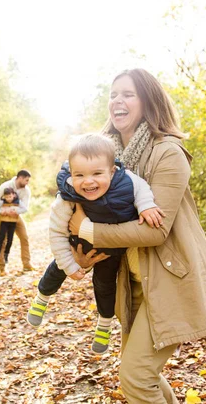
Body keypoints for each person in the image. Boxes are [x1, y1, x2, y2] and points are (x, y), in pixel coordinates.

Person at [68, 69, 206, 403]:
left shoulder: (168, 152)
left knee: (136, 376)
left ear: (148, 101)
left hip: (170, 278)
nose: (118, 101)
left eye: (128, 94)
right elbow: (79, 208)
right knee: (142, 374)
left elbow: (154, 232)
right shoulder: (105, 158)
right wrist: (79, 250)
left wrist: (88, 230)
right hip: (133, 278)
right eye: (113, 95)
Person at [26, 133, 165, 354]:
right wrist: (70, 265)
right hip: (77, 244)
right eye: (79, 174)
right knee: (57, 269)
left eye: (97, 173)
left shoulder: (127, 180)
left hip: (110, 250)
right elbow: (56, 232)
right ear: (71, 174)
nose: (88, 181)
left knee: (105, 285)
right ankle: (42, 296)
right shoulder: (68, 196)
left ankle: (104, 325)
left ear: (112, 171)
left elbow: (141, 189)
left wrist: (146, 205)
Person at [0, 169, 33, 274]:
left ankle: (27, 264)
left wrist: (15, 211)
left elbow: (25, 207)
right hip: (3, 218)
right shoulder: (5, 186)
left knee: (24, 238)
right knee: (2, 241)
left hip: (16, 217)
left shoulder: (26, 191)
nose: (27, 183)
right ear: (20, 178)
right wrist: (2, 211)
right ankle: (2, 268)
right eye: (26, 180)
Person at [0, 188, 24, 265]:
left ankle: (6, 255)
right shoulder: (2, 202)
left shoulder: (17, 202)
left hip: (12, 222)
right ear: (4, 197)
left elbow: (25, 209)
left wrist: (16, 212)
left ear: (13, 195)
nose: (9, 199)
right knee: (1, 238)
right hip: (4, 221)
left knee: (10, 239)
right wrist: (1, 212)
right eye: (7, 197)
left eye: (10, 197)